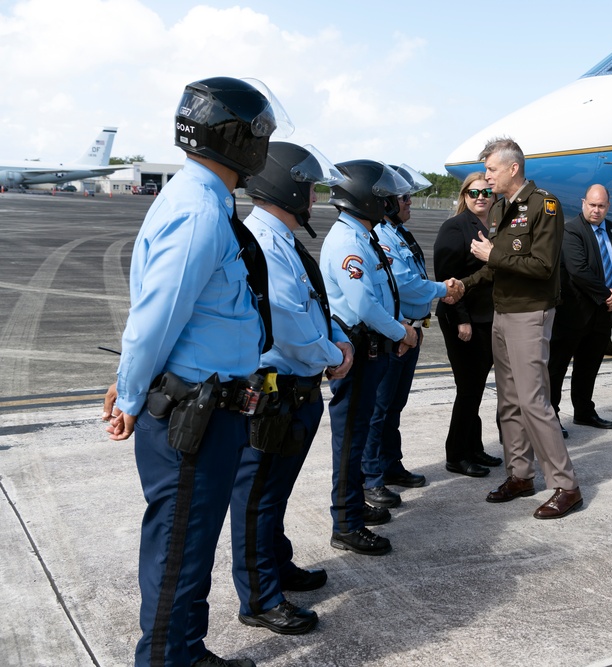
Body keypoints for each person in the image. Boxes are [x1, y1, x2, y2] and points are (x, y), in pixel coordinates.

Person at [102, 76, 287, 667]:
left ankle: (185, 647)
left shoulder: (204, 198)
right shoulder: (200, 211)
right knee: (180, 548)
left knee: (192, 542)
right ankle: (164, 658)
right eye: (261, 133)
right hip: (193, 414)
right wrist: (130, 393)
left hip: (213, 408)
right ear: (237, 138)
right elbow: (155, 316)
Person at [229, 142, 352, 636]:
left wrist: (335, 341)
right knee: (258, 495)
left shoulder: (281, 237)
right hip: (276, 392)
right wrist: (333, 355)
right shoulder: (264, 238)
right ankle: (259, 597)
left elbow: (314, 305)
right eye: (309, 187)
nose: (316, 198)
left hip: (296, 390)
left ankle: (276, 566)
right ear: (288, 185)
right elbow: (290, 324)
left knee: (274, 493)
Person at [462, 137, 583, 520]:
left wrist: (492, 254)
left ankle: (566, 486)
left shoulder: (544, 206)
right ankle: (520, 475)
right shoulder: (500, 207)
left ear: (513, 168)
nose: (487, 177)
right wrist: (464, 285)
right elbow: (497, 265)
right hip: (503, 313)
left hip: (530, 314)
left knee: (534, 401)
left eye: (492, 170)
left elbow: (543, 265)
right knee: (509, 400)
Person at [320, 159, 419, 556]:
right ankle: (346, 524)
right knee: (349, 440)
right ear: (364, 197)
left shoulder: (364, 235)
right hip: (358, 354)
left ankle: (353, 508)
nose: (391, 202)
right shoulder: (349, 242)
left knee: (358, 437)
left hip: (369, 351)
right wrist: (403, 331)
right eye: (383, 195)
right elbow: (363, 302)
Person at [362, 164, 463, 507]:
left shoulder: (400, 233)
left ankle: (391, 465)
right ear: (388, 203)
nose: (409, 204)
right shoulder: (382, 237)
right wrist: (442, 289)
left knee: (394, 407)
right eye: (404, 198)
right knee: (379, 409)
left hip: (412, 333)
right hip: (395, 333)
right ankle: (370, 476)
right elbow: (406, 284)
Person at [434, 172, 504, 477]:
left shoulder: (494, 228)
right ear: (464, 196)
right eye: (474, 193)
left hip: (487, 319)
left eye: (486, 193)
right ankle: (456, 454)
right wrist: (462, 320)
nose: (480, 198)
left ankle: (474, 447)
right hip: (463, 320)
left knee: (475, 389)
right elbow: (449, 282)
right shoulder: (455, 227)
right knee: (468, 389)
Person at [548, 184, 612, 435]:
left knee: (589, 366)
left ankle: (584, 411)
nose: (596, 210)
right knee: (557, 368)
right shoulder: (571, 230)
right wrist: (608, 294)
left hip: (602, 313)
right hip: (573, 313)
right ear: (583, 203)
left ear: (608, 206)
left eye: (601, 206)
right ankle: (551, 417)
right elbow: (578, 270)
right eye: (592, 205)